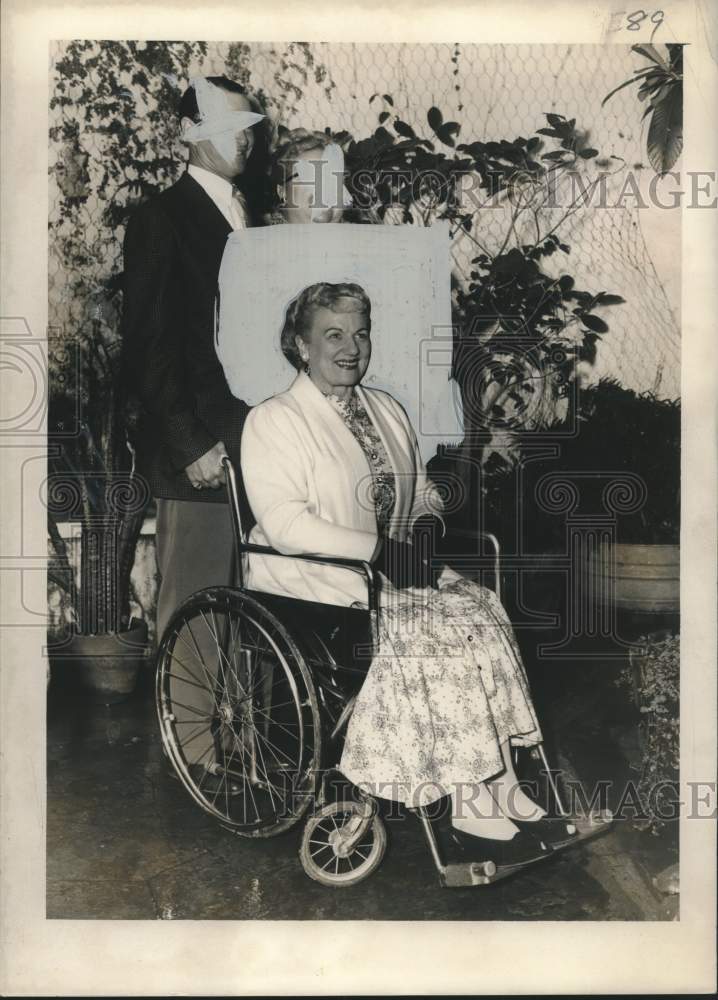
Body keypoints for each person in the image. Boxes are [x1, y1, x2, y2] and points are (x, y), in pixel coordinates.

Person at [240, 281, 580, 865]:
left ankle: (503, 787)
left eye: (361, 333)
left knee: (480, 610)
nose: (351, 348)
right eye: (334, 335)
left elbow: (421, 492)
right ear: (300, 345)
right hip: (318, 583)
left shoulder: (386, 408)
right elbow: (286, 524)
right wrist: (380, 552)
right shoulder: (274, 421)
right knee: (437, 635)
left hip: (392, 569)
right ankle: (469, 805)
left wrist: (424, 525)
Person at [122, 75, 265, 769]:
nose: (248, 136)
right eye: (234, 124)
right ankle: (196, 758)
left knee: (246, 597)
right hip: (198, 450)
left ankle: (237, 744)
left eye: (250, 124)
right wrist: (191, 443)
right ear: (189, 134)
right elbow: (148, 346)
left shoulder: (250, 214)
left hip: (252, 439)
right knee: (197, 598)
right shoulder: (161, 217)